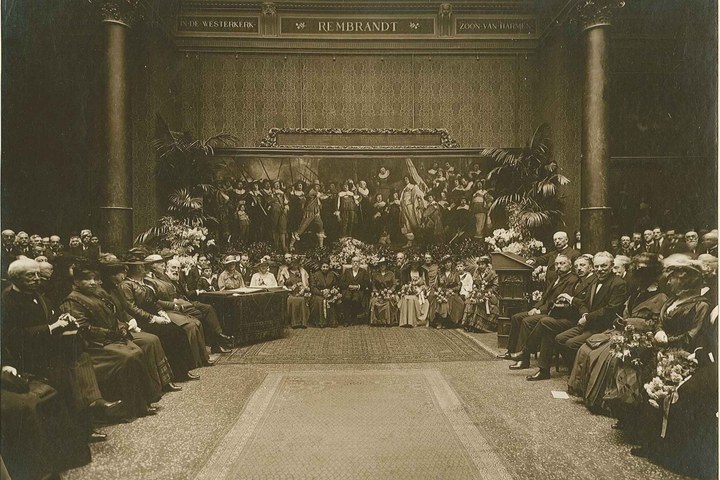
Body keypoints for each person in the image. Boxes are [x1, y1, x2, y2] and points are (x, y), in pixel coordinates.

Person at [2, 258, 123, 441]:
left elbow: (53, 315)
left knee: (80, 355)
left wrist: (64, 318)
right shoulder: (7, 301)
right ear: (15, 278)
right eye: (30, 275)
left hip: (47, 348)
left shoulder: (38, 295)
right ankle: (84, 425)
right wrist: (52, 327)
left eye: (37, 274)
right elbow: (13, 336)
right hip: (26, 355)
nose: (37, 278)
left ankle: (93, 407)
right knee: (68, 372)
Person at [60, 264, 162, 419]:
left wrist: (121, 327)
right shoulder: (73, 300)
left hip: (110, 338)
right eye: (87, 279)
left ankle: (141, 403)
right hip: (94, 346)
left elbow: (114, 317)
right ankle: (128, 408)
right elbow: (84, 329)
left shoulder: (98, 294)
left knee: (137, 350)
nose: (93, 282)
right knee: (128, 356)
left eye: (95, 279)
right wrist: (111, 333)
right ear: (76, 281)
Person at [568, 253, 666, 411]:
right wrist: (622, 322)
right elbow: (624, 312)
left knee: (604, 356)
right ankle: (583, 391)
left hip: (642, 337)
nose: (638, 277)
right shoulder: (637, 293)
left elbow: (656, 323)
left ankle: (605, 402)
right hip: (623, 331)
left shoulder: (660, 297)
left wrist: (630, 323)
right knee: (587, 348)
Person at [513, 252, 627, 381]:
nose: (599, 270)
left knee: (561, 336)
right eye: (597, 266)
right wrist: (584, 313)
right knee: (550, 330)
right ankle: (544, 370)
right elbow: (583, 303)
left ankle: (577, 375)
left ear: (611, 266)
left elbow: (610, 310)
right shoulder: (595, 280)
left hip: (602, 327)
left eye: (603, 266)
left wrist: (586, 316)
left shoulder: (617, 283)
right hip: (585, 321)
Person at [119, 259, 199, 381]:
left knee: (179, 331)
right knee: (168, 335)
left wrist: (161, 313)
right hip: (141, 320)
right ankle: (173, 375)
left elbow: (154, 301)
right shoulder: (126, 285)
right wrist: (153, 318)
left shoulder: (145, 282)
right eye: (142, 266)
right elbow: (131, 307)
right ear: (134, 269)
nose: (145, 268)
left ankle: (183, 371)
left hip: (155, 314)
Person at [502, 254, 579, 361]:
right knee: (516, 317)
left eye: (562, 263)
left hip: (553, 312)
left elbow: (559, 302)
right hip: (544, 308)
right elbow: (544, 298)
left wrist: (539, 310)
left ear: (570, 265)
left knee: (526, 321)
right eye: (556, 264)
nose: (559, 266)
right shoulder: (556, 278)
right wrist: (535, 307)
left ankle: (523, 359)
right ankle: (511, 351)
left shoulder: (572, 280)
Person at [143, 254, 211, 368]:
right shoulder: (148, 281)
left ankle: (202, 359)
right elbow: (155, 301)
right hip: (161, 311)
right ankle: (192, 362)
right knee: (190, 326)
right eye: (160, 264)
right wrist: (173, 305)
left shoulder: (160, 278)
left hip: (169, 308)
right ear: (152, 266)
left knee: (197, 322)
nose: (163, 267)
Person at [165, 258, 233, 354]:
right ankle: (219, 337)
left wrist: (197, 292)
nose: (176, 270)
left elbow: (186, 294)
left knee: (210, 309)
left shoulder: (176, 278)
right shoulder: (166, 280)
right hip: (179, 307)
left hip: (188, 303)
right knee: (206, 312)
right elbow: (173, 298)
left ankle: (217, 341)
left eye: (178, 268)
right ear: (167, 268)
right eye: (173, 268)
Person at [464, 256, 499, 333]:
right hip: (478, 292)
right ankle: (470, 324)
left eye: (483, 264)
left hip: (489, 294)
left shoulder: (492, 273)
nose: (481, 266)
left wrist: (487, 292)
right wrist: (475, 289)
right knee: (470, 300)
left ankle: (480, 326)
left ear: (487, 265)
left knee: (481, 302)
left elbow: (495, 286)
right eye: (479, 264)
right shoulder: (477, 273)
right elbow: (475, 284)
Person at [339, 256, 370, 326]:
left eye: (357, 262)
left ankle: (354, 318)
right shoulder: (347, 271)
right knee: (347, 298)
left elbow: (367, 283)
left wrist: (358, 286)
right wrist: (348, 286)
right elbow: (341, 282)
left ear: (359, 263)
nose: (355, 263)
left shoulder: (363, 271)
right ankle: (346, 320)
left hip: (359, 291)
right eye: (354, 261)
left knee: (355, 299)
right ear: (351, 263)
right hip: (348, 290)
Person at [309, 258, 340, 328]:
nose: (325, 268)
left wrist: (332, 290)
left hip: (329, 293)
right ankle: (320, 322)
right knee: (319, 300)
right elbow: (313, 287)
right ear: (321, 267)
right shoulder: (315, 275)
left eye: (327, 267)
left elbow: (335, 285)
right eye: (323, 267)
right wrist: (322, 292)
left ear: (329, 267)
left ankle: (330, 321)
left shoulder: (332, 274)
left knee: (331, 300)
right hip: (318, 294)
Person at [397, 262, 428, 328]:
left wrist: (421, 288)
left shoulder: (421, 272)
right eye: (413, 264)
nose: (415, 266)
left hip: (419, 291)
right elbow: (404, 283)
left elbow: (425, 285)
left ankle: (413, 321)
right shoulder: (406, 272)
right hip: (409, 289)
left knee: (415, 299)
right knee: (406, 298)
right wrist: (407, 288)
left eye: (416, 264)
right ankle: (405, 321)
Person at [399, 176, 426, 247]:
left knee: (414, 223)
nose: (405, 180)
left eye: (407, 178)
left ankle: (419, 241)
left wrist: (418, 204)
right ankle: (410, 242)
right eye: (404, 179)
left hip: (411, 207)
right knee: (407, 224)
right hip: (405, 208)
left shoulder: (414, 187)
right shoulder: (404, 189)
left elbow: (420, 195)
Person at [369, 258, 396, 326]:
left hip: (388, 292)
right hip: (379, 292)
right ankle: (377, 321)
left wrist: (391, 290)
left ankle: (388, 321)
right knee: (374, 301)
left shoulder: (391, 274)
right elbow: (373, 285)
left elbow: (394, 284)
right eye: (381, 265)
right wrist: (376, 291)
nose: (382, 266)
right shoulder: (376, 274)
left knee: (388, 301)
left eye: (383, 265)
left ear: (386, 265)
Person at [285, 258, 310, 328]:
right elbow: (284, 283)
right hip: (290, 292)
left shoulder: (302, 272)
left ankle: (302, 322)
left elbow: (305, 284)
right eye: (293, 264)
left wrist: (303, 289)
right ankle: (294, 323)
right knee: (292, 300)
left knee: (302, 300)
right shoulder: (286, 272)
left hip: (300, 291)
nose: (295, 266)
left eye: (296, 264)